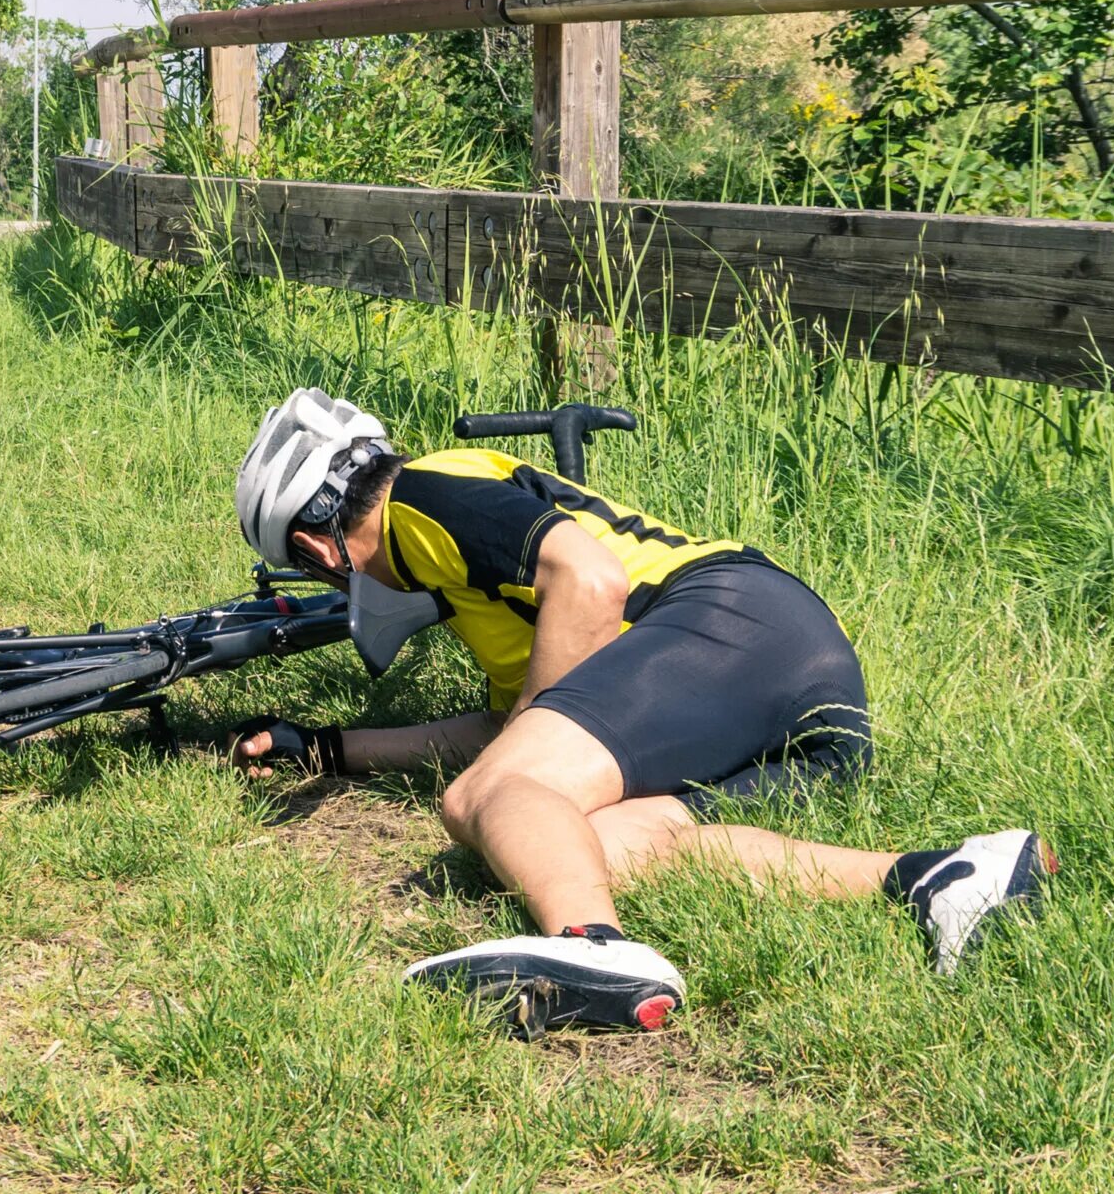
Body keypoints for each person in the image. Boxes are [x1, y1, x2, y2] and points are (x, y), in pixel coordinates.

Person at [228, 388, 1054, 1035]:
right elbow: (505, 730)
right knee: (598, 843)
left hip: (734, 619)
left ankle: (598, 948)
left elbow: (592, 582)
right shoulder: (459, 571)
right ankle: (936, 875)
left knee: (486, 796)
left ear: (316, 549)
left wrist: (504, 772)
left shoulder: (424, 495)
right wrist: (332, 748)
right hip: (800, 686)